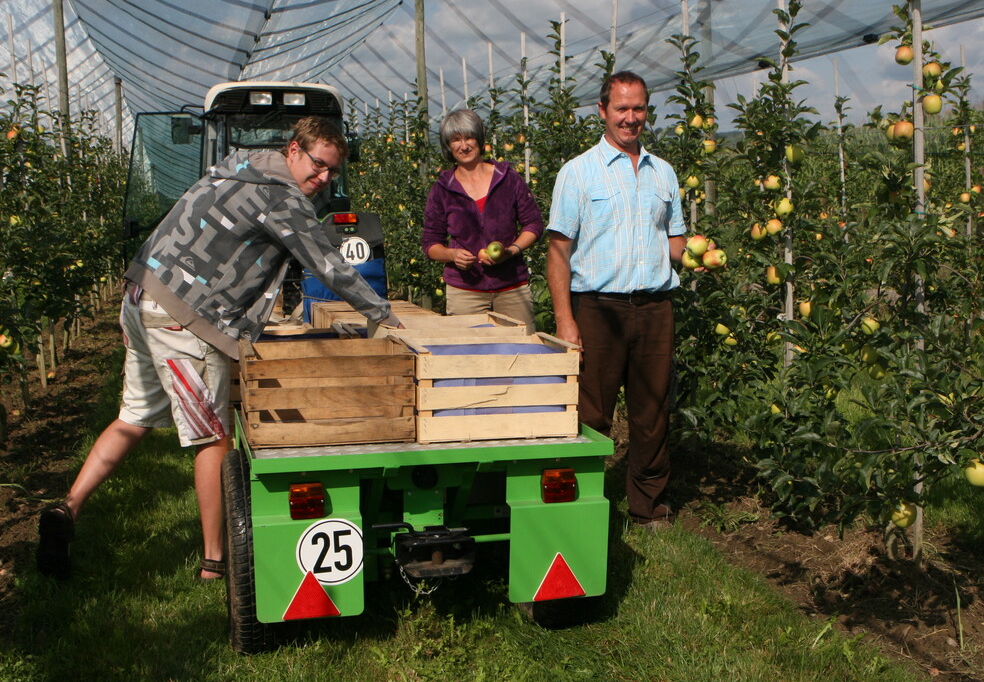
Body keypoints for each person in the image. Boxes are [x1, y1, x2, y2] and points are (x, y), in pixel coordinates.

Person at [37, 116, 400, 580]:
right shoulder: (281, 195)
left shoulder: (239, 166)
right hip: (184, 316)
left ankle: (66, 509)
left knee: (134, 417)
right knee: (213, 436)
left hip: (142, 294)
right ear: (294, 150)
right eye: (318, 164)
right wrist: (383, 314)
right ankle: (215, 562)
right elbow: (328, 265)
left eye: (332, 170)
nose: (324, 178)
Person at [546, 71, 687, 531]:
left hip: (654, 307)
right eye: (622, 108)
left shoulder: (663, 173)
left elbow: (674, 241)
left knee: (652, 411)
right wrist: (566, 320)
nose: (631, 118)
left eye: (639, 108)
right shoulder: (577, 172)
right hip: (598, 307)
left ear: (648, 111)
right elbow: (559, 253)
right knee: (592, 411)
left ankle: (648, 507)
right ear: (603, 111)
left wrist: (696, 256)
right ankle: (580, 503)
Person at [422, 109, 544, 332]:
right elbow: (430, 243)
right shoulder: (442, 189)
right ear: (448, 146)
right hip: (465, 291)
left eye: (469, 137)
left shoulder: (507, 178)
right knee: (470, 356)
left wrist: (513, 250)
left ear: (479, 139)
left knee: (521, 353)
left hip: (511, 288)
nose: (464, 145)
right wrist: (452, 254)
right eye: (456, 140)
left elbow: (533, 223)